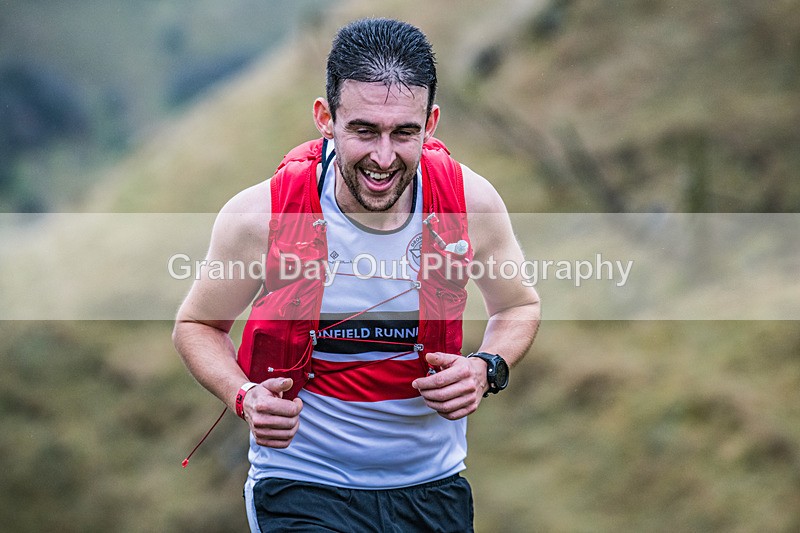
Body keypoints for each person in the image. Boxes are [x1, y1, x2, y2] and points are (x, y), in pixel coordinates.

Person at [173, 17, 540, 532]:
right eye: (364, 130)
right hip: (302, 484)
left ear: (431, 122)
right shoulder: (262, 215)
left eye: (404, 133)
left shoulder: (470, 203)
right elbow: (197, 326)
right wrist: (244, 395)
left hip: (432, 487)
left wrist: (487, 366)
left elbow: (517, 305)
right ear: (326, 118)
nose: (383, 157)